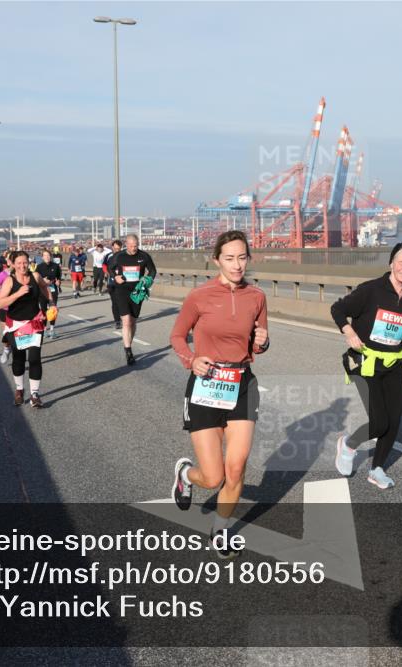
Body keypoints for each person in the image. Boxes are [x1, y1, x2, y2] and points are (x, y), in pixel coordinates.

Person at [169, 230, 269, 558]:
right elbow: (177, 336)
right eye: (229, 258)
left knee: (236, 468)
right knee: (213, 478)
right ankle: (186, 474)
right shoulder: (199, 296)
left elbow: (257, 344)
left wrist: (263, 342)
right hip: (206, 384)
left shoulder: (256, 297)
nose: (237, 264)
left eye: (242, 257)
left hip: (241, 384)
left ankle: (221, 531)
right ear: (217, 260)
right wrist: (191, 360)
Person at [331, 242, 402, 489]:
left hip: (394, 364)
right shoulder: (371, 290)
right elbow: (338, 308)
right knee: (379, 422)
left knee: (394, 422)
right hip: (365, 362)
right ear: (391, 263)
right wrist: (349, 331)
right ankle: (348, 445)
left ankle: (377, 469)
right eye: (401, 262)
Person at [0, 250, 51, 408]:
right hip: (16, 325)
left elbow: (44, 287)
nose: (22, 266)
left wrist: (52, 303)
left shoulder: (35, 276)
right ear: (13, 264)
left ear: (29, 262)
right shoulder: (9, 281)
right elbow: (0, 303)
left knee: (34, 358)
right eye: (19, 263)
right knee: (19, 358)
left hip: (34, 322)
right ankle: (20, 390)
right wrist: (18, 293)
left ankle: (35, 395)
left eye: (25, 262)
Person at [107, 234, 157, 365]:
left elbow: (152, 271)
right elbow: (110, 268)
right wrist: (115, 277)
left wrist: (148, 280)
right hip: (122, 290)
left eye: (136, 246)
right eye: (131, 246)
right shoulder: (119, 256)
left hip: (137, 292)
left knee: (133, 322)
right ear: (126, 244)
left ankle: (129, 344)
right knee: (126, 321)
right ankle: (128, 351)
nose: (134, 248)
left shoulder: (144, 256)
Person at [35, 249, 62, 339]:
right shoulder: (39, 267)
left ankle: (52, 330)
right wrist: (43, 281)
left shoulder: (55, 266)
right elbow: (36, 279)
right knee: (43, 311)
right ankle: (44, 329)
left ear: (51, 257)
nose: (47, 257)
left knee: (52, 310)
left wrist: (58, 282)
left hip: (53, 290)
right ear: (42, 257)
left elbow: (58, 277)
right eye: (45, 255)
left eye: (48, 255)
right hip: (42, 291)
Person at [105, 240, 123, 329]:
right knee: (115, 302)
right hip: (112, 283)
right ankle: (117, 321)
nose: (117, 251)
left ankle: (125, 317)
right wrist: (107, 273)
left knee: (123, 302)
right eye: (115, 249)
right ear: (112, 247)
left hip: (123, 283)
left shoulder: (124, 256)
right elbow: (104, 266)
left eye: (118, 249)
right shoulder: (108, 256)